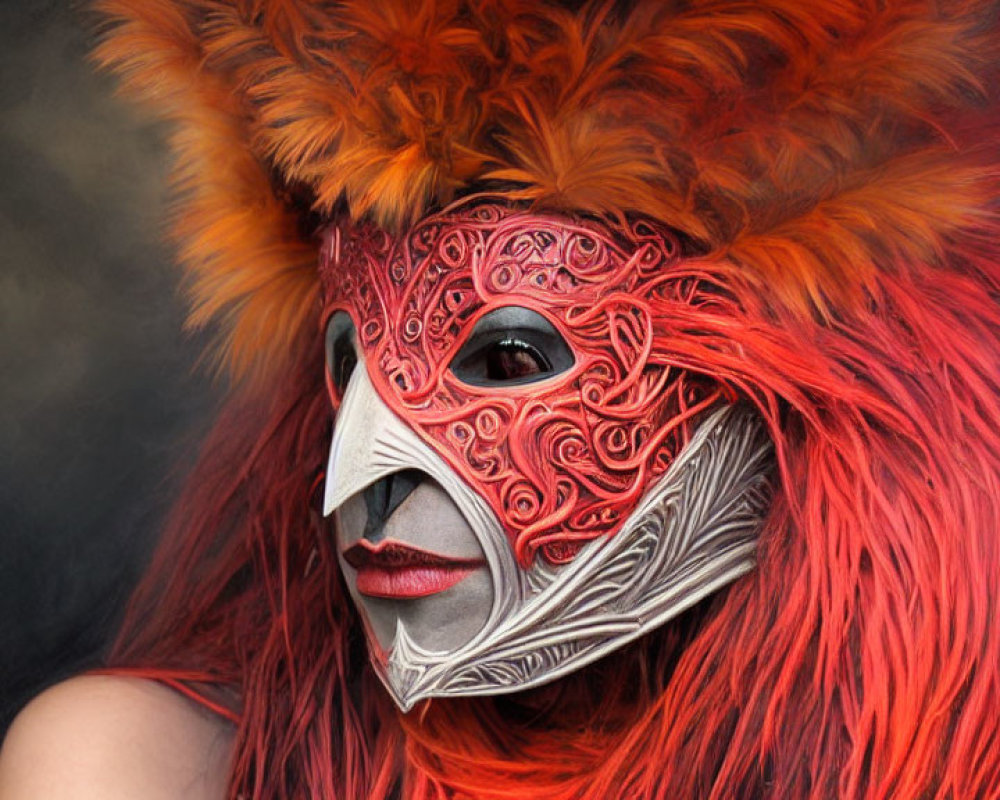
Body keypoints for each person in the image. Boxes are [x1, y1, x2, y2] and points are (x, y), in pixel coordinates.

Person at [3, 1, 1000, 797]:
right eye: (348, 362)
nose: (356, 480)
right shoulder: (141, 764)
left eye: (508, 354)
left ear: (752, 379)